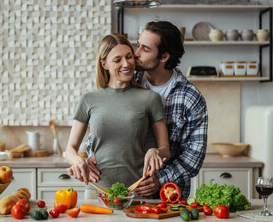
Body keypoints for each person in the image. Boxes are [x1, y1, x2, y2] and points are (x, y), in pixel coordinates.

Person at [86, 21, 208, 199]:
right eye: (138, 45)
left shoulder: (190, 98)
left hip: (165, 195)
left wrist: (160, 179)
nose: (135, 54)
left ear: (164, 56)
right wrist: (92, 155)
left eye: (145, 49)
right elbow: (101, 124)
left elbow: (194, 157)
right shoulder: (125, 77)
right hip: (118, 188)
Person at [65, 33, 171, 189]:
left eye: (129, 57)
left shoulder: (150, 99)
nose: (126, 64)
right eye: (117, 60)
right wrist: (78, 161)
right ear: (104, 64)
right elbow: (70, 149)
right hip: (97, 190)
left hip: (137, 190)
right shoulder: (88, 99)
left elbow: (165, 150)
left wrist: (156, 152)